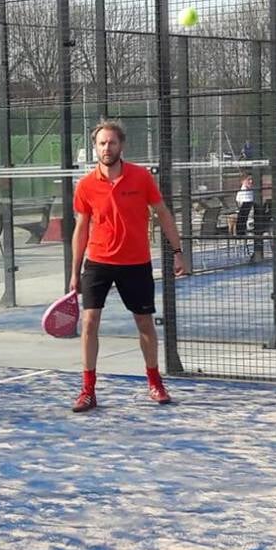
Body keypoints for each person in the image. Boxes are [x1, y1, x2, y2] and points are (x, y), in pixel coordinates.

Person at [70, 120, 188, 412]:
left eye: (111, 143)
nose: (106, 148)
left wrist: (178, 251)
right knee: (89, 322)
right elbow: (81, 229)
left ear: (121, 145)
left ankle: (155, 382)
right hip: (97, 262)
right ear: (95, 147)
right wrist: (74, 273)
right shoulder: (85, 185)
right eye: (101, 143)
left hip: (136, 263)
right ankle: (87, 390)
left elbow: (162, 213)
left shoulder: (141, 177)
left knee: (145, 324)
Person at [233, 170, 257, 237]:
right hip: (246, 218)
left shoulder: (251, 190)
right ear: (242, 181)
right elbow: (244, 207)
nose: (251, 181)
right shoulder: (243, 192)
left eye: (252, 179)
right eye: (248, 180)